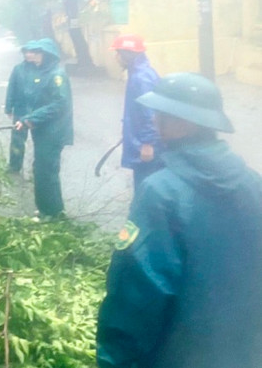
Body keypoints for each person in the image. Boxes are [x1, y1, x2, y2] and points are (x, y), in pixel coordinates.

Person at [97, 72, 262, 368]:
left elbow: (137, 295)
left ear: (185, 123)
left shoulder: (161, 193)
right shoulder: (254, 184)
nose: (154, 122)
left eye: (161, 115)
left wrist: (116, 360)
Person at [13, 38, 73, 219]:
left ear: (47, 55)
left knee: (47, 171)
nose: (33, 57)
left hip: (53, 132)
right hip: (42, 130)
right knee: (40, 169)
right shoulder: (41, 73)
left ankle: (54, 213)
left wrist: (31, 118)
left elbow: (59, 104)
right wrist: (25, 119)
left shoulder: (56, 75)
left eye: (37, 53)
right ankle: (44, 209)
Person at [110, 34, 162, 190]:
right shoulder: (140, 73)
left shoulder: (141, 78)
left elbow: (150, 113)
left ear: (126, 54)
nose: (116, 57)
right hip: (143, 141)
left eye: (117, 53)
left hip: (146, 146)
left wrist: (148, 143)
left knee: (146, 187)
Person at [4, 41, 38, 174]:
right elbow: (11, 88)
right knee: (17, 140)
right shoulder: (18, 69)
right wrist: (8, 107)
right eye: (26, 52)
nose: (29, 55)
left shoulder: (41, 69)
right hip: (20, 110)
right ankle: (14, 165)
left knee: (39, 141)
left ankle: (38, 167)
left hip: (37, 112)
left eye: (31, 52)